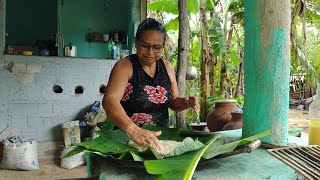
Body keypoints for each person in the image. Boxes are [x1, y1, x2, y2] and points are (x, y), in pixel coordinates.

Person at [102, 18, 197, 151]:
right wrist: (133, 130)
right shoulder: (125, 67)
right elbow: (109, 101)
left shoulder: (167, 66)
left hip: (159, 142)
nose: (150, 52)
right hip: (128, 142)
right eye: (145, 46)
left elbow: (174, 102)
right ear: (136, 42)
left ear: (163, 46)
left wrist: (186, 102)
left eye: (157, 47)